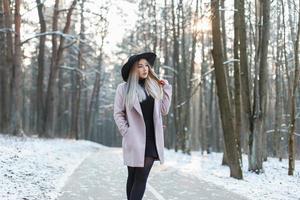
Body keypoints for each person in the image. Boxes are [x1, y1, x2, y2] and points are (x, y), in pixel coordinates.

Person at [113, 52, 172, 200]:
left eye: (147, 65)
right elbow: (118, 113)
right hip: (134, 139)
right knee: (132, 176)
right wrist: (127, 132)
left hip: (152, 139)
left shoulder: (154, 86)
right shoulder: (123, 88)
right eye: (140, 66)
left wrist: (167, 90)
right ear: (133, 69)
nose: (145, 69)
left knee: (141, 177)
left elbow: (164, 110)